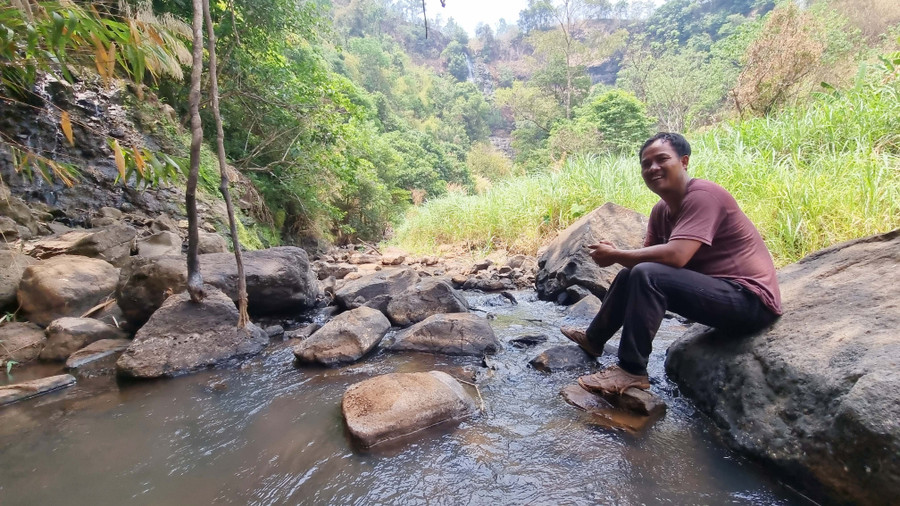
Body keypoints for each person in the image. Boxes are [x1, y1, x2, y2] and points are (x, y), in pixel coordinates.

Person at [562, 132, 782, 395]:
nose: (653, 168)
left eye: (662, 159)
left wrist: (616, 254)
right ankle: (594, 339)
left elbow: (676, 256)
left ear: (684, 161)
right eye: (646, 164)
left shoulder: (704, 196)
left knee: (645, 273)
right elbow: (643, 267)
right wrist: (618, 255)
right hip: (716, 293)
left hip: (749, 301)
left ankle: (631, 371)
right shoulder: (660, 210)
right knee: (632, 274)